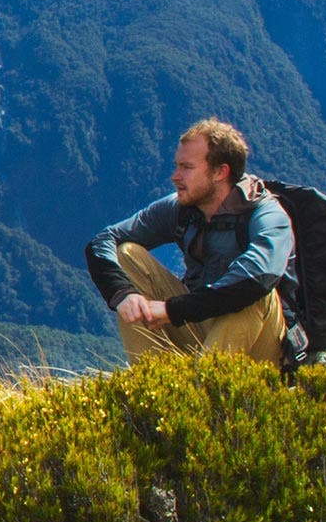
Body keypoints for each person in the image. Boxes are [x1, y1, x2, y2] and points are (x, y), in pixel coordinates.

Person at [85, 118, 291, 364]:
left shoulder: (266, 215)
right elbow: (104, 240)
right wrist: (122, 293)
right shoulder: (183, 209)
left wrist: (173, 310)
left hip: (260, 348)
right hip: (201, 326)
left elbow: (260, 276)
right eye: (177, 166)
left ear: (220, 172)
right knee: (126, 254)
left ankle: (204, 389)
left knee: (254, 290)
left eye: (186, 167)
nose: (175, 176)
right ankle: (156, 385)